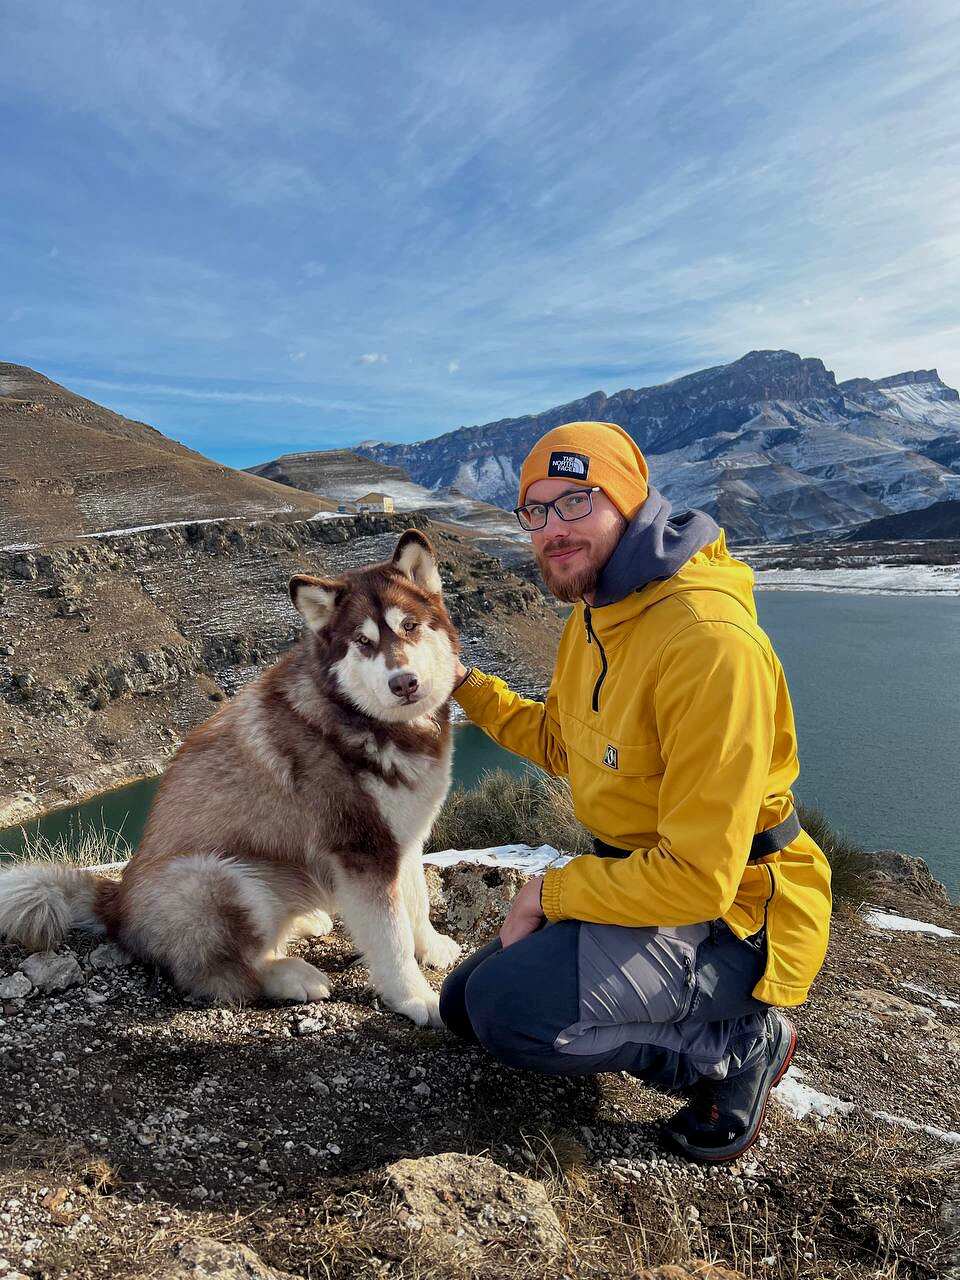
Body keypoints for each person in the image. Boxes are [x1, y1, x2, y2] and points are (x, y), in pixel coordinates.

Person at [439, 420, 832, 1163]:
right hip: (640, 884)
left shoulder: (706, 641)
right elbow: (563, 744)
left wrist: (552, 894)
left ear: (628, 499)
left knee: (510, 1012)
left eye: (576, 500)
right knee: (463, 1007)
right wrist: (464, 684)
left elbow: (697, 878)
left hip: (733, 915)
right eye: (536, 510)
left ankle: (738, 1046)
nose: (553, 529)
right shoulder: (595, 613)